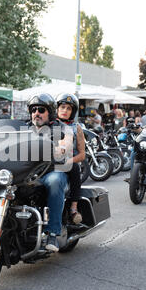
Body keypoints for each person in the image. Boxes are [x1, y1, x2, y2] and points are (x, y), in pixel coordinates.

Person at [27, 93, 71, 252]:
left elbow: (66, 142)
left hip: (49, 172)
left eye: (41, 109)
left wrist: (62, 148)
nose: (36, 113)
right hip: (25, 173)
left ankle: (52, 232)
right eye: (33, 110)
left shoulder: (60, 128)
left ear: (50, 112)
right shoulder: (24, 128)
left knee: (55, 181)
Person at [55, 93, 85, 225]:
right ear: (56, 108)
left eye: (68, 108)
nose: (65, 111)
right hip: (46, 162)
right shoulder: (50, 124)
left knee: (75, 168)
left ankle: (74, 207)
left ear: (73, 111)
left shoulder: (76, 128)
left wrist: (68, 161)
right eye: (62, 107)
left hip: (66, 163)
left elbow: (82, 154)